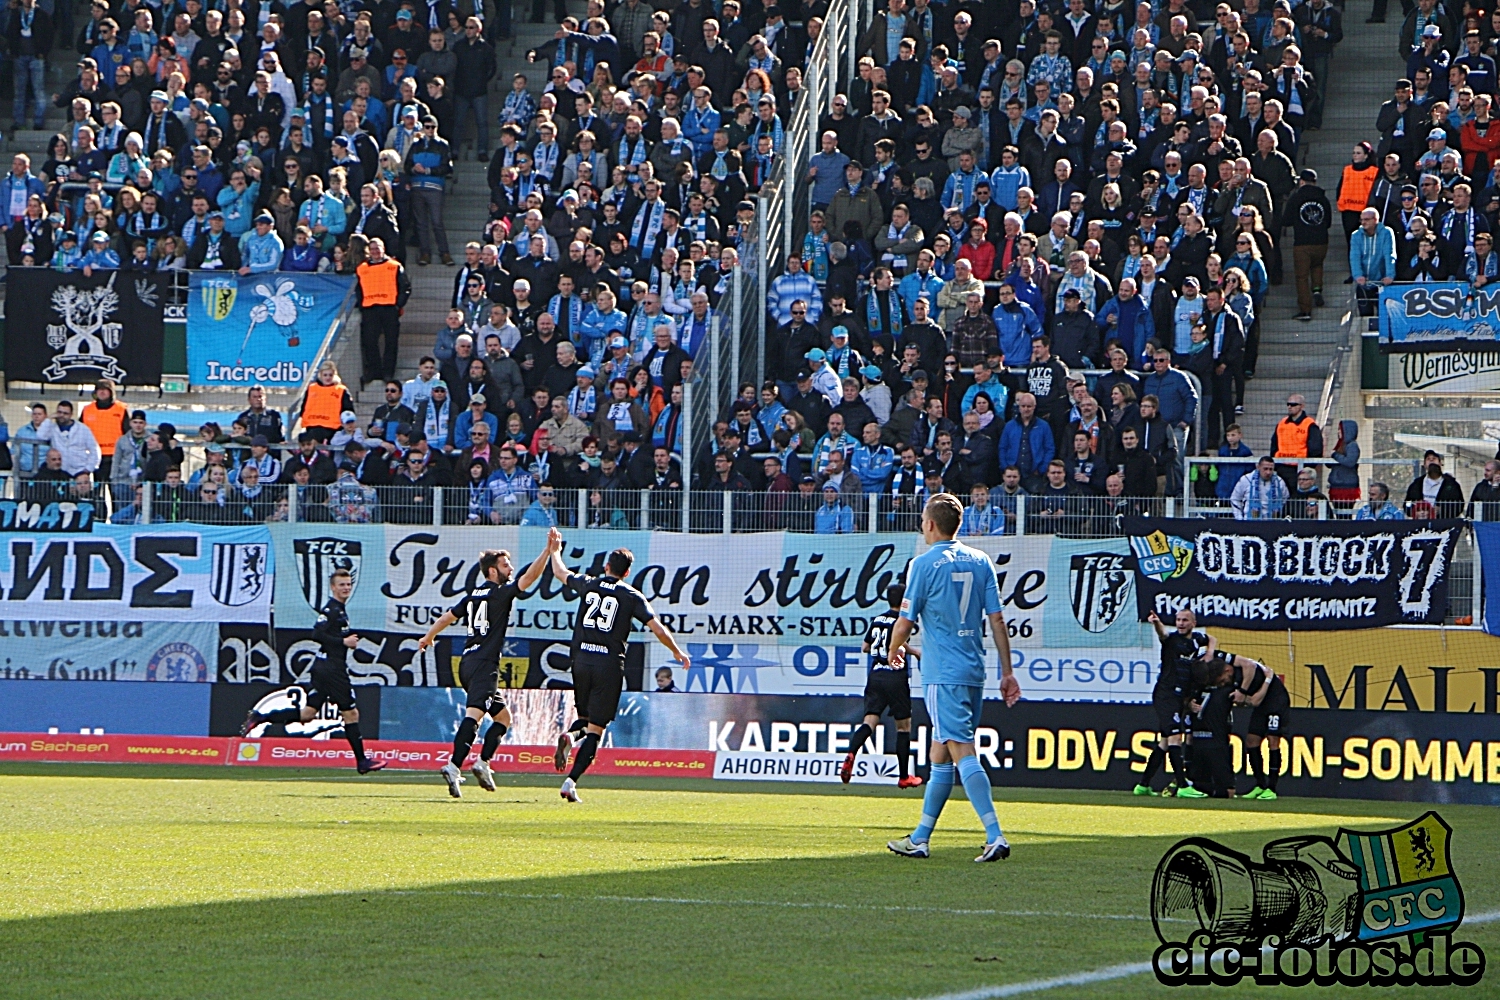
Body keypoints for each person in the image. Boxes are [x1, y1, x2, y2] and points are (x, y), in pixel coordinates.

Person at [886, 493, 1021, 864]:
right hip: (973, 669)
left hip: (942, 672)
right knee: (940, 752)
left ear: (930, 524)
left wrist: (893, 649)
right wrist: (1006, 672)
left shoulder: (923, 564)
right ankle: (920, 838)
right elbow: (997, 620)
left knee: (961, 749)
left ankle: (995, 835)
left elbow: (905, 620)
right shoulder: (981, 561)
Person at [549, 541, 690, 803]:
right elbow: (657, 628)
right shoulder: (632, 596)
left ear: (606, 567)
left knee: (586, 717)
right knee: (597, 730)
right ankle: (570, 782)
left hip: (580, 660)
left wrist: (554, 549)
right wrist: (676, 651)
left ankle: (570, 736)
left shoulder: (589, 583)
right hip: (609, 664)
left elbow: (559, 572)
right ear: (627, 573)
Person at [419, 539, 558, 798]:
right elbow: (530, 577)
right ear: (493, 571)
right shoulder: (499, 592)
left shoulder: (472, 595)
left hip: (468, 663)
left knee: (503, 719)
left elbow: (448, 617)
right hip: (484, 665)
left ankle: (483, 762)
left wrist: (428, 637)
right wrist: (548, 552)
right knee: (475, 716)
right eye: (506, 565)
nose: (511, 568)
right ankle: (453, 766)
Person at [239, 570, 386, 774]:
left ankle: (261, 717)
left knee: (307, 714)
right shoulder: (331, 609)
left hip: (323, 667)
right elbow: (316, 633)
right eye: (341, 585)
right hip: (332, 670)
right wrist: (343, 641)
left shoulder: (340, 610)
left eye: (348, 584)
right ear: (333, 587)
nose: (345, 588)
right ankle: (362, 762)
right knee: (351, 713)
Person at [838, 584, 922, 788]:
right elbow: (898, 643)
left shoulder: (877, 620)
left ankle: (851, 753)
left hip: (875, 675)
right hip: (895, 675)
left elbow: (865, 647)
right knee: (903, 727)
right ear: (904, 601)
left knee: (869, 723)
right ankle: (903, 776)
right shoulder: (903, 621)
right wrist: (916, 653)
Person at [1136, 610, 1210, 798]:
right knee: (1176, 738)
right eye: (1178, 620)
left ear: (1193, 623)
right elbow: (1163, 634)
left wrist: (1209, 654)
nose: (1181, 623)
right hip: (1165, 696)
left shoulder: (1196, 640)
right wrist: (1156, 623)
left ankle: (1143, 785)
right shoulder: (1172, 640)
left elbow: (1212, 639)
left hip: (1179, 698)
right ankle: (1183, 786)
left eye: (1185, 620)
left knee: (1164, 743)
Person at [1404, 450, 1465, 517]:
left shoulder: (1452, 484)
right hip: (1420, 524)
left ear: (1440, 463)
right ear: (1424, 465)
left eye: (1434, 458)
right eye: (1428, 459)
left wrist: (1441, 510)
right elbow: (1407, 505)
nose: (1431, 460)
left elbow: (1459, 506)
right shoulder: (1416, 484)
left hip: (1443, 524)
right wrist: (1416, 510)